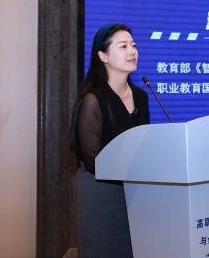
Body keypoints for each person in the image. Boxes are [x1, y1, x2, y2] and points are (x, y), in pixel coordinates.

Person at [70, 23, 150, 258]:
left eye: (133, 45)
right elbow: (93, 159)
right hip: (101, 193)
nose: (132, 51)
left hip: (135, 193)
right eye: (123, 46)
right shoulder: (93, 100)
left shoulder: (141, 96)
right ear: (103, 56)